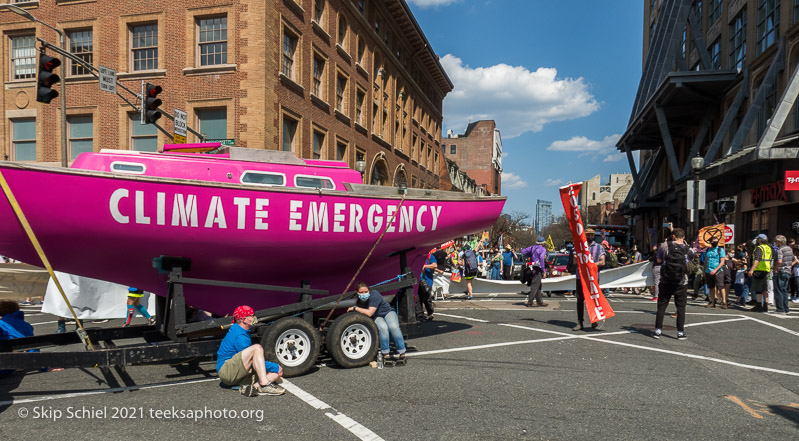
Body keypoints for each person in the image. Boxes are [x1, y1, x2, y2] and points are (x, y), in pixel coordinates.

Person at [216, 305, 285, 397]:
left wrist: (275, 369)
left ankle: (253, 387)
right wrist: (274, 366)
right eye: (251, 316)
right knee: (257, 348)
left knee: (275, 375)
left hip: (235, 372)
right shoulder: (239, 335)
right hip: (226, 371)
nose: (254, 318)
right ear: (244, 320)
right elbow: (252, 361)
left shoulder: (241, 330)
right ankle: (264, 384)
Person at [348, 282, 406, 366]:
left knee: (393, 327)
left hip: (387, 312)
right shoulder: (358, 301)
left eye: (365, 291)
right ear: (357, 292)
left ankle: (402, 353)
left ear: (369, 290)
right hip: (376, 316)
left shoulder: (374, 294)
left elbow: (369, 313)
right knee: (383, 328)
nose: (364, 294)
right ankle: (386, 354)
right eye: (361, 292)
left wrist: (355, 308)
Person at [653, 228, 694, 340]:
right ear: (684, 237)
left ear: (673, 236)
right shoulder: (688, 249)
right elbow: (690, 261)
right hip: (681, 282)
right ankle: (680, 332)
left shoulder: (664, 246)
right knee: (681, 307)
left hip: (666, 280)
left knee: (662, 306)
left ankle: (658, 331)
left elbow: (659, 260)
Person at [572, 228, 606, 331]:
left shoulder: (599, 247)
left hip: (593, 277)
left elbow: (602, 262)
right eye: (587, 235)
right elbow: (574, 262)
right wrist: (576, 256)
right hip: (581, 277)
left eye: (591, 235)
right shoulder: (578, 246)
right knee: (580, 299)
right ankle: (580, 322)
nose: (590, 237)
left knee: (593, 298)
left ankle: (594, 319)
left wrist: (591, 265)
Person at [748, 234, 772, 312]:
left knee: (758, 289)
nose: (757, 240)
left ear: (760, 240)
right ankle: (765, 306)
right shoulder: (768, 248)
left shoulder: (759, 248)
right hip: (767, 269)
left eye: (758, 239)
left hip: (759, 270)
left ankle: (758, 305)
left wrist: (751, 269)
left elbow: (757, 260)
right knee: (765, 289)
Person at [522, 237, 548, 307]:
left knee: (538, 285)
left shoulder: (532, 247)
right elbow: (542, 259)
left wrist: (530, 255)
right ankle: (530, 302)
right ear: (543, 243)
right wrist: (544, 271)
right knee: (535, 286)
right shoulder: (543, 249)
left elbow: (523, 251)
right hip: (538, 269)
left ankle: (539, 301)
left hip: (532, 268)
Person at [773, 235, 796, 314]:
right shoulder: (789, 249)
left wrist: (775, 269)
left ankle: (780, 309)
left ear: (780, 242)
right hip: (787, 271)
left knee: (778, 290)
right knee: (784, 291)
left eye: (776, 241)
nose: (775, 243)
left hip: (780, 271)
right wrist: (789, 266)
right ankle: (786, 309)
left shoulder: (780, 249)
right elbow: (795, 260)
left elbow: (779, 261)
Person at [703, 239, 727, 308]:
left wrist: (715, 270)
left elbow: (722, 262)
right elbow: (705, 261)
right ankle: (712, 302)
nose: (715, 242)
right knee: (711, 287)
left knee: (721, 286)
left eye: (716, 241)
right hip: (708, 271)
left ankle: (724, 302)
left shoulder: (720, 250)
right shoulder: (708, 250)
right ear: (710, 242)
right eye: (713, 241)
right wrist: (704, 271)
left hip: (718, 271)